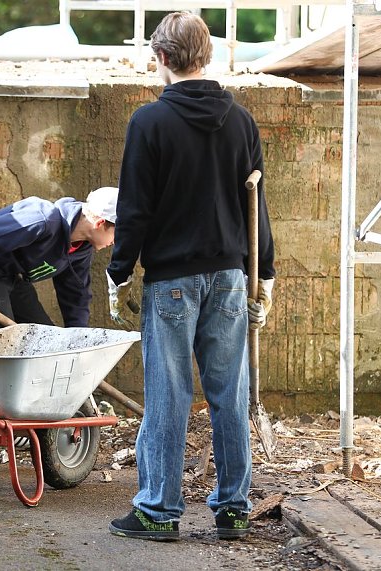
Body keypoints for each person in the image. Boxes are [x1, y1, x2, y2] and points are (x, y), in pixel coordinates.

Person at [106, 12, 275, 541]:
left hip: (172, 282)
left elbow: (135, 209)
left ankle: (158, 510)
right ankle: (233, 509)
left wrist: (118, 272)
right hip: (229, 277)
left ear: (161, 58)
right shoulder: (241, 122)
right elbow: (256, 205)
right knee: (230, 394)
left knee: (169, 396)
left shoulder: (149, 123)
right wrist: (263, 273)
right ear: (208, 54)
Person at [0, 187, 119, 460]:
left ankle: (24, 426)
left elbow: (75, 297)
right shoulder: (42, 220)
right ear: (100, 223)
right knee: (4, 346)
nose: (116, 242)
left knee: (46, 342)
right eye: (117, 233)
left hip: (13, 277)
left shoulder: (80, 249)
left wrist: (79, 344)